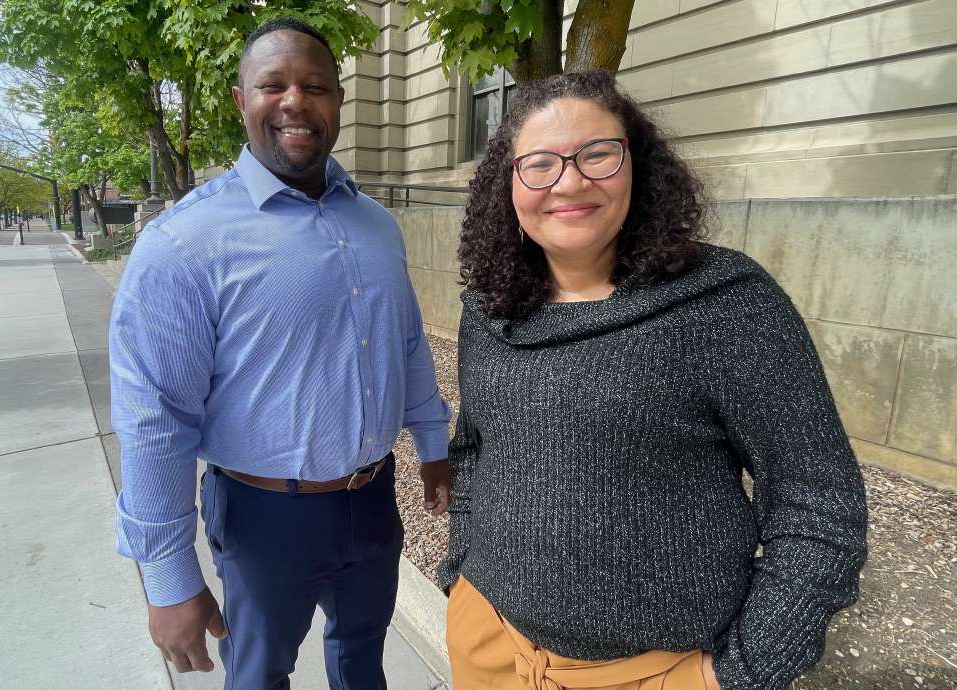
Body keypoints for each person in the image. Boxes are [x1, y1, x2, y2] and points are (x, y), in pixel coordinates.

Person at [439, 70, 868, 690]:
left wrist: (740, 671)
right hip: (487, 645)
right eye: (539, 164)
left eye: (597, 154)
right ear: (507, 184)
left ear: (636, 163)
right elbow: (474, 449)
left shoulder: (724, 303)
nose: (570, 181)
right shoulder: (490, 308)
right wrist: (460, 570)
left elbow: (818, 501)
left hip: (656, 673)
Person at [108, 17, 452, 690]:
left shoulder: (377, 225)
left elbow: (406, 340)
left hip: (373, 500)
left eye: (315, 86)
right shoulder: (184, 243)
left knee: (362, 660)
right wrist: (169, 578)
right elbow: (154, 418)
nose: (296, 100)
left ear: (338, 102)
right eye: (273, 85)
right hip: (264, 517)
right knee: (259, 675)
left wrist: (432, 444)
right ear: (243, 102)